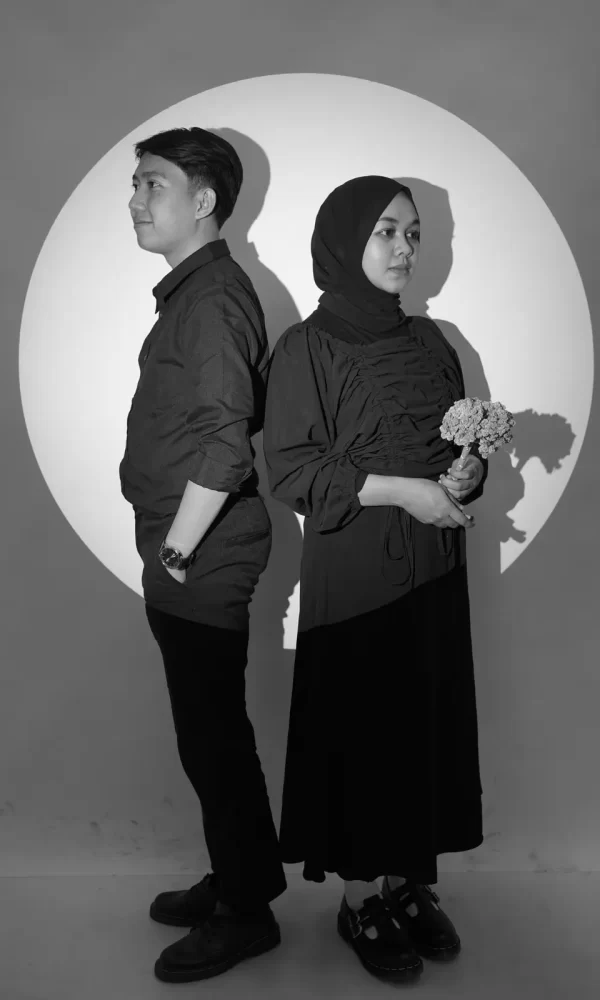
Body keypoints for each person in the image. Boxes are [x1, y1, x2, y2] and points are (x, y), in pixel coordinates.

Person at [263, 175, 487, 985]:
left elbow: (455, 448)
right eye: (386, 231)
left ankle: (403, 880)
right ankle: (359, 896)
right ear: (344, 238)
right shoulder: (307, 347)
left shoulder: (434, 342)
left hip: (434, 564)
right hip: (357, 570)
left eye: (414, 233)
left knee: (420, 719)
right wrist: (403, 492)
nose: (404, 249)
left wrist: (465, 476)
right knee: (364, 724)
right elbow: (292, 470)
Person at [120, 127, 286, 983]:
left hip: (203, 555)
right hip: (188, 550)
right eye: (137, 184)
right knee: (208, 735)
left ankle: (247, 912)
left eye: (153, 184)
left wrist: (177, 552)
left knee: (214, 740)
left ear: (204, 200)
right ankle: (238, 876)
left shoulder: (214, 298)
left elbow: (226, 446)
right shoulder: (196, 293)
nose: (136, 200)